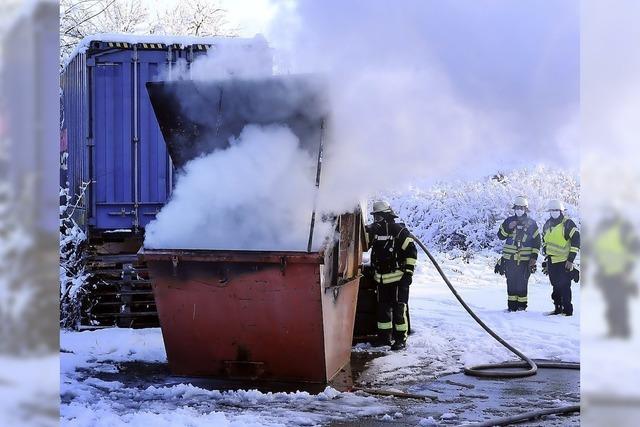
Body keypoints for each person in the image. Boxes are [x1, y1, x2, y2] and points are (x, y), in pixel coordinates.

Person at [366, 201, 417, 350]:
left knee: (399, 310)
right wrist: (367, 231)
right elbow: (364, 246)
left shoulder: (398, 231)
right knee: (383, 310)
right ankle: (384, 338)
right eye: (375, 218)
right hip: (381, 279)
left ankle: (401, 339)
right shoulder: (375, 232)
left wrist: (408, 273)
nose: (377, 221)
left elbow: (411, 252)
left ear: (387, 216)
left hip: (398, 278)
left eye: (379, 217)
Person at [592, 210, 639, 337]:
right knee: (610, 301)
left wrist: (627, 269)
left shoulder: (624, 228)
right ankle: (613, 329)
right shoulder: (602, 229)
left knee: (620, 300)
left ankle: (623, 330)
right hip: (605, 272)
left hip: (620, 272)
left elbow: (634, 249)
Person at [495, 195, 541, 311]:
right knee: (511, 282)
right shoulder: (508, 221)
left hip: (525, 260)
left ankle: (522, 308)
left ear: (526, 209)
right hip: (509, 259)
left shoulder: (531, 223)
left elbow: (537, 241)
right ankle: (511, 307)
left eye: (522, 208)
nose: (519, 210)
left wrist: (533, 258)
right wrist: (508, 228)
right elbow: (500, 236)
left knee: (522, 283)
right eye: (517, 207)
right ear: (514, 208)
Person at [541, 199, 580, 316]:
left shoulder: (567, 223)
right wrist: (546, 256)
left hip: (564, 261)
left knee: (564, 287)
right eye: (552, 210)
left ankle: (567, 310)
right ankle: (557, 308)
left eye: (556, 210)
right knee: (555, 286)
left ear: (561, 211)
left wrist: (570, 260)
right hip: (552, 261)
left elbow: (577, 240)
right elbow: (544, 241)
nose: (554, 212)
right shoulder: (547, 224)